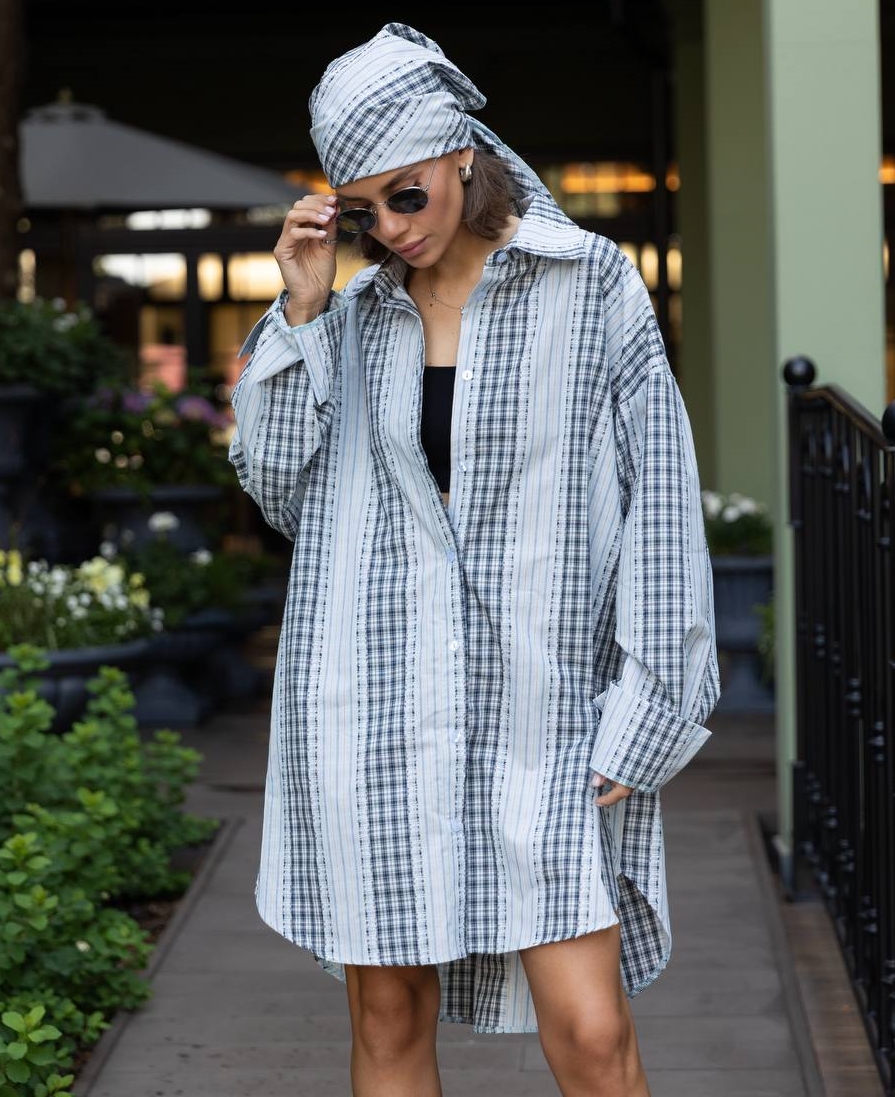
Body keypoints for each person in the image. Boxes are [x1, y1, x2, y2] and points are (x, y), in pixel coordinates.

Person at [228, 22, 720, 1097]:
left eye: (407, 194)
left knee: (591, 1031)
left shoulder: (588, 285)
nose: (392, 227)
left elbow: (660, 502)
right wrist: (300, 308)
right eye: (363, 210)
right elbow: (277, 491)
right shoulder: (349, 318)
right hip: (373, 709)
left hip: (542, 706)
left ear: (462, 153)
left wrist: (651, 701)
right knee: (388, 1017)